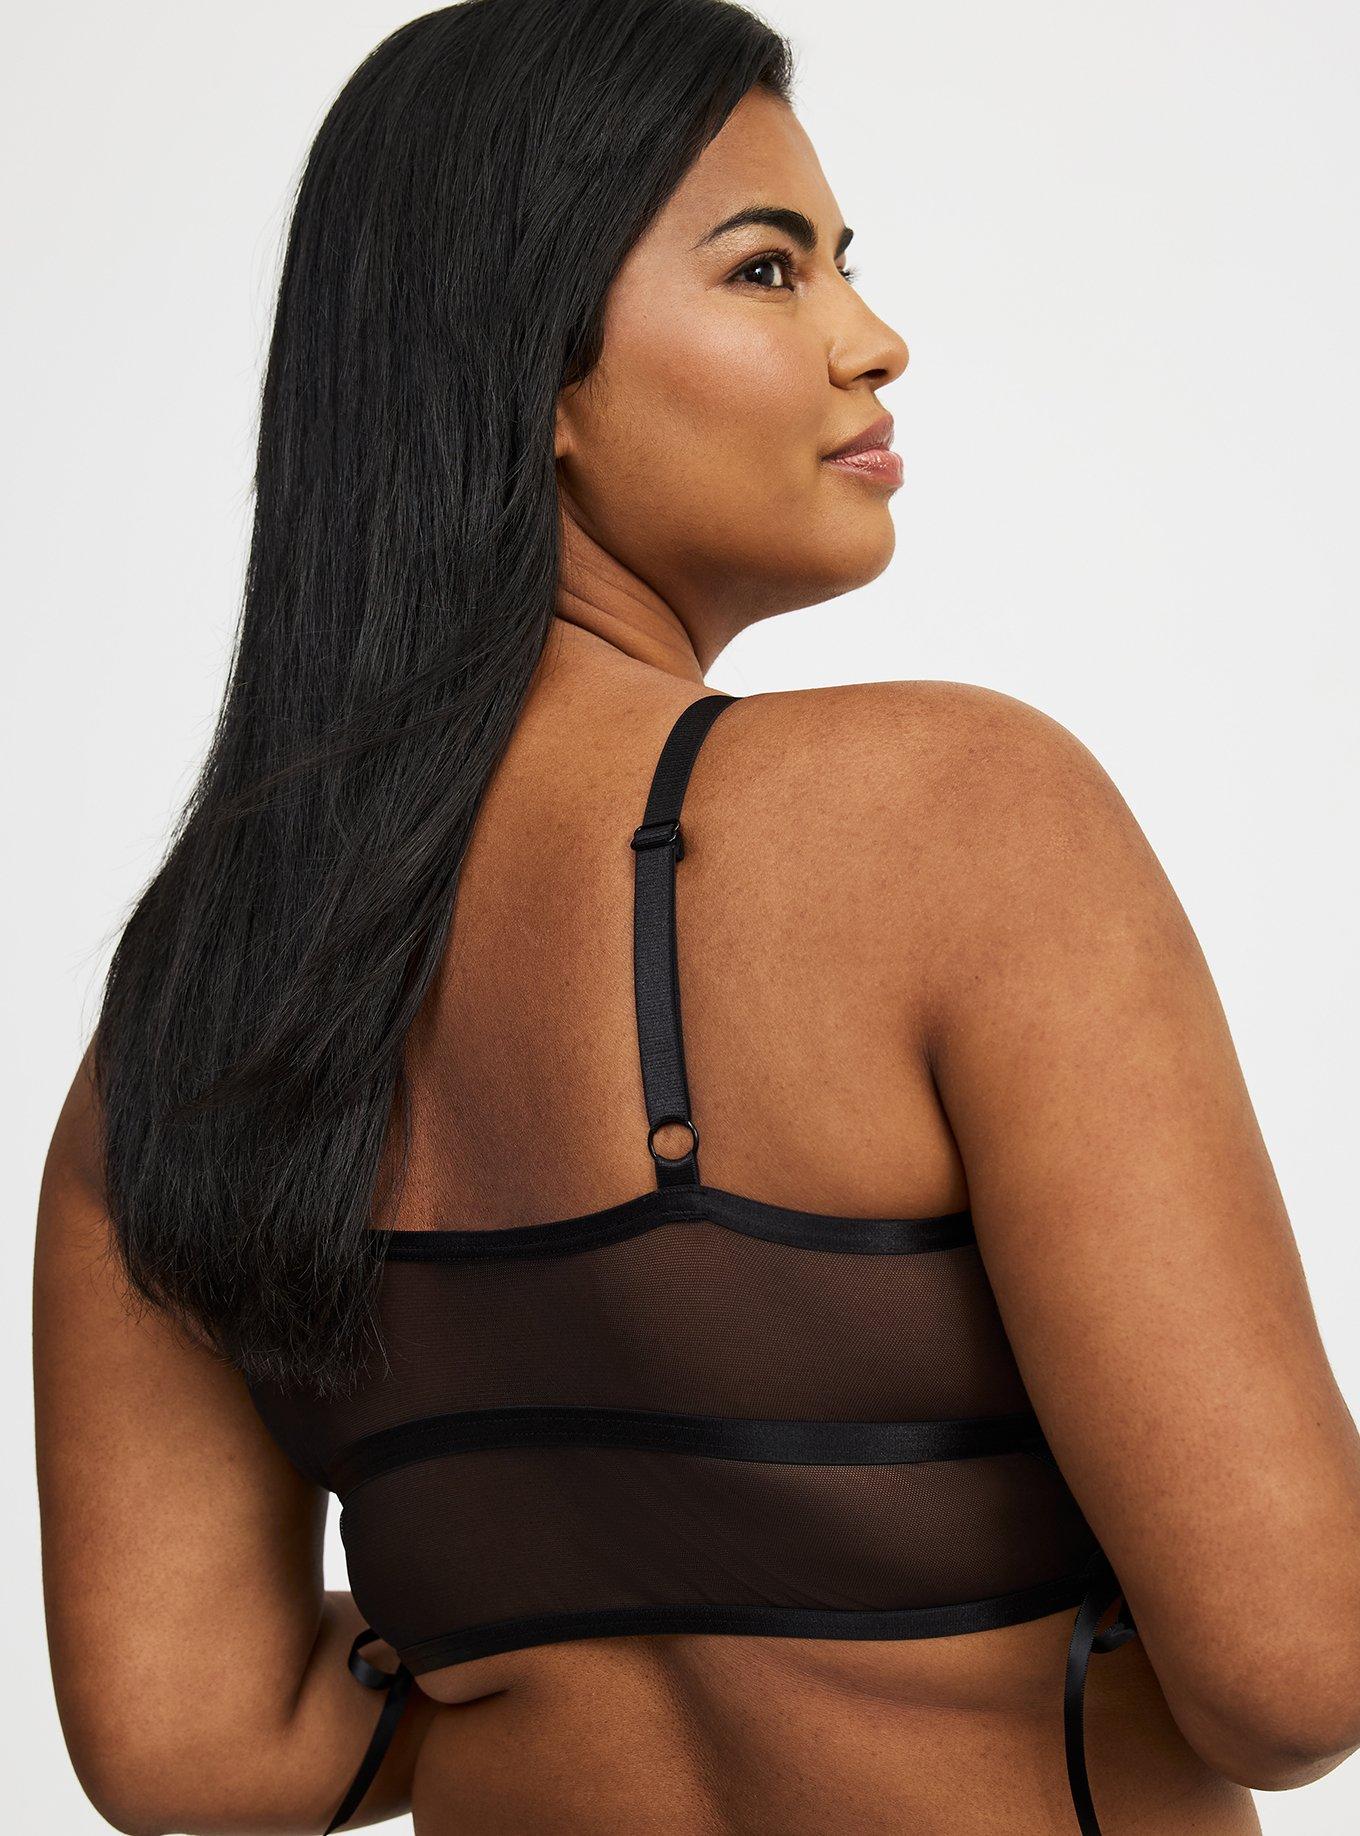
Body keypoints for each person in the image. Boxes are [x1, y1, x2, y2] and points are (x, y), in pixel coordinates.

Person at [33, 2, 1360, 1832]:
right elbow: (1295, 1671)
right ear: (532, 377)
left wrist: (541, 1646)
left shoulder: (196, 1012)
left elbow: (197, 1738)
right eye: (766, 268)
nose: (871, 339)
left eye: (842, 264)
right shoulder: (958, 815)